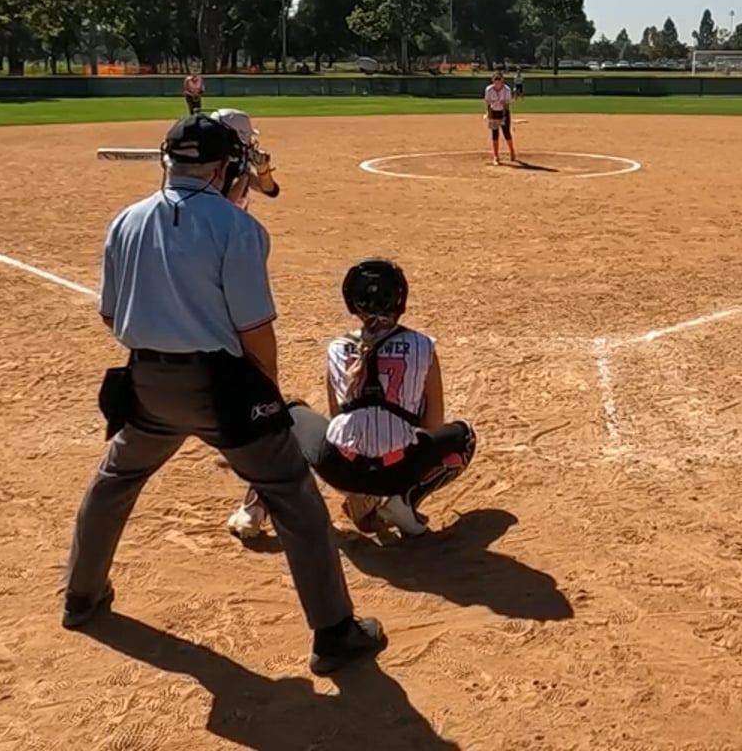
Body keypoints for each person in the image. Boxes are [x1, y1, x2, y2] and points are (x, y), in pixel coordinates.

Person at [61, 114, 385, 675]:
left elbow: (110, 315)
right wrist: (267, 397)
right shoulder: (237, 228)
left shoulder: (125, 220)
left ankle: (80, 596)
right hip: (221, 384)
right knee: (290, 492)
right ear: (225, 167)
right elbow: (254, 329)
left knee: (114, 480)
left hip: (145, 382)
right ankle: (334, 632)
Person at [227, 258, 476, 541]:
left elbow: (338, 418)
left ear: (352, 302)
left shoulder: (336, 348)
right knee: (463, 436)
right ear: (400, 298)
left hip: (341, 469)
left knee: (289, 414)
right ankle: (403, 501)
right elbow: (433, 424)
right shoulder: (423, 346)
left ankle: (253, 509)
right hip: (399, 471)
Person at [211, 108, 280, 209]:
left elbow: (271, 190)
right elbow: (224, 207)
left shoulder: (235, 159)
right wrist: (245, 175)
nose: (250, 141)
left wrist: (263, 171)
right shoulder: (208, 166)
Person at [484, 70, 517, 165]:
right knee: (495, 134)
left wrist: (504, 116)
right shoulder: (489, 89)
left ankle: (511, 150)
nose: (497, 81)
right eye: (495, 79)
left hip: (503, 112)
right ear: (492, 80)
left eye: (499, 79)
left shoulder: (506, 89)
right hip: (494, 112)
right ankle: (496, 156)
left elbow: (507, 104)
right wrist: (489, 114)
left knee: (506, 133)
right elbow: (488, 103)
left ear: (502, 80)